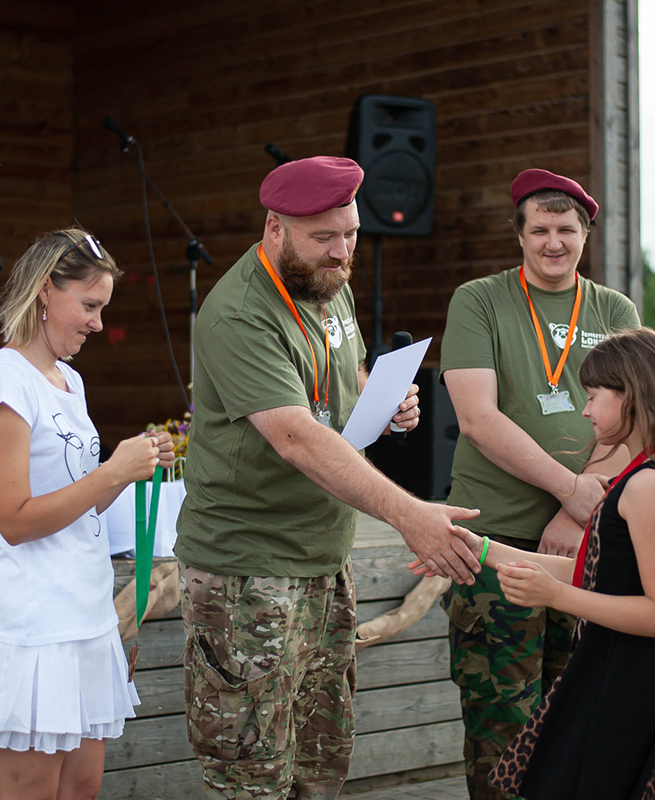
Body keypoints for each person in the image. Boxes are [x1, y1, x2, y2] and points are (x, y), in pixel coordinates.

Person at [173, 156, 485, 799]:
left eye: (351, 233)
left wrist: (381, 399)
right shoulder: (238, 312)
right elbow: (296, 436)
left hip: (322, 557)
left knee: (321, 763)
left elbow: (339, 379)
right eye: (324, 237)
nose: (342, 252)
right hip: (248, 571)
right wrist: (411, 515)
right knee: (252, 776)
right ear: (275, 228)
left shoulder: (325, 279)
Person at [459, 326, 655, 798]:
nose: (584, 410)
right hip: (612, 668)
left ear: (632, 395)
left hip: (638, 681)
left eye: (591, 396)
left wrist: (557, 597)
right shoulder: (638, 472)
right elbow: (594, 571)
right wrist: (477, 549)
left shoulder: (649, 485)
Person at [438, 168, 642, 798]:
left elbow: (636, 422)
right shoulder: (479, 300)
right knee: (503, 723)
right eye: (540, 230)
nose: (554, 242)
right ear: (520, 235)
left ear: (586, 235)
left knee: (577, 712)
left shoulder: (614, 310)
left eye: (567, 230)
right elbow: (477, 419)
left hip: (587, 542)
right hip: (493, 541)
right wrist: (568, 489)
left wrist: (577, 511)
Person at [0, 227, 175, 800]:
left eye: (103, 308)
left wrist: (132, 470)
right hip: (38, 629)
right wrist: (112, 471)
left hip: (87, 616)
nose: (98, 324)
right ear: (46, 291)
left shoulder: (69, 380)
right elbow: (14, 520)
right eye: (90, 306)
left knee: (81, 791)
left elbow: (77, 504)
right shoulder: (5, 379)